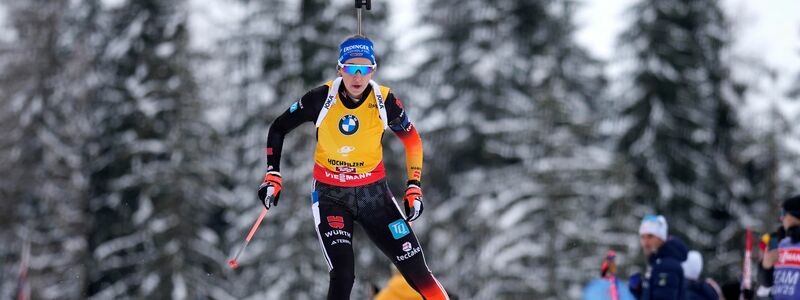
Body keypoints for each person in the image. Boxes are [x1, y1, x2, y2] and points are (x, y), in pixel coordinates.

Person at [257, 34, 449, 300]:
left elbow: (412, 140)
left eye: (364, 69)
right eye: (350, 68)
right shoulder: (320, 98)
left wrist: (414, 186)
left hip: (374, 196)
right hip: (332, 195)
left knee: (418, 272)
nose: (357, 77)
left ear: (372, 70)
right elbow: (278, 128)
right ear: (340, 69)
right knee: (343, 274)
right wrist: (273, 174)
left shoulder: (385, 102)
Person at [628, 214, 688, 300]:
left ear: (661, 238)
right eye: (642, 237)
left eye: (650, 236)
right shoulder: (657, 263)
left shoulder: (667, 266)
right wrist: (638, 289)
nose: (646, 242)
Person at [771, 195, 800, 300]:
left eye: (784, 213)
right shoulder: (782, 243)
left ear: (796, 215)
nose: (781, 218)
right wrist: (765, 267)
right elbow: (765, 286)